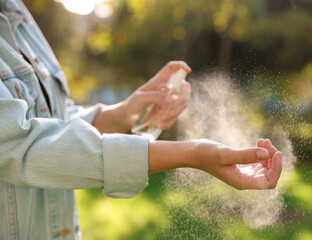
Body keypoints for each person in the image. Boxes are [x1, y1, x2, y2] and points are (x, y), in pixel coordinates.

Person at [0, 0, 283, 239]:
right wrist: (193, 153)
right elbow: (20, 146)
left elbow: (54, 122)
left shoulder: (16, 12)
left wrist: (126, 111)